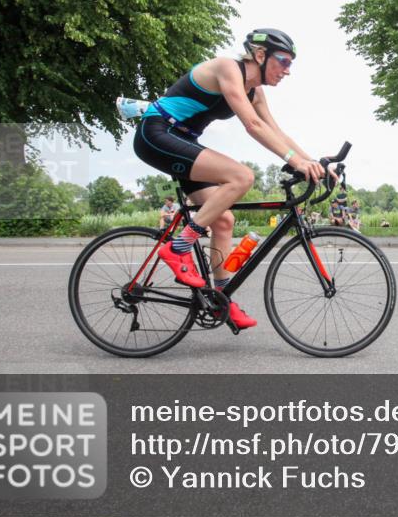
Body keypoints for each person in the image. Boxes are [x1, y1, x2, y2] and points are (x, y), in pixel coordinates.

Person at [133, 28, 325, 330]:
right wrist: (295, 161)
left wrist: (312, 162)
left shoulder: (255, 91)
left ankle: (220, 299)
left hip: (182, 141)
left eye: (291, 64)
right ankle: (178, 248)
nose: (288, 70)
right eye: (284, 61)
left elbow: (276, 132)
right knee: (242, 176)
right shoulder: (227, 68)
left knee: (223, 221)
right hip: (157, 132)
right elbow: (252, 125)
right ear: (260, 55)